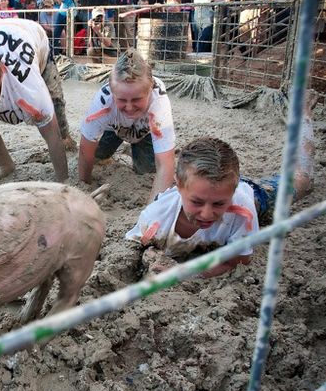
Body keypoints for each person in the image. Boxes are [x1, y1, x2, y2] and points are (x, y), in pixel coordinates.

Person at [125, 98, 316, 278]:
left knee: (302, 182)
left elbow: (237, 262)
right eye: (197, 202)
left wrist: (183, 273)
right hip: (224, 186)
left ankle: (303, 113)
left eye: (218, 204)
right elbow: (133, 249)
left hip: (255, 197)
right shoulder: (156, 216)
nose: (207, 214)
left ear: (232, 193)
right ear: (178, 185)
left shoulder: (244, 211)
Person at [0, 18, 77, 198]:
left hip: (35, 41)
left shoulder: (29, 87)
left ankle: (68, 138)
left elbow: (52, 136)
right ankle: (6, 165)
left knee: (55, 105)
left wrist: (64, 185)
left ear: (1, 75)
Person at [78, 48, 175, 202]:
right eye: (122, 100)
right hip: (113, 128)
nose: (129, 107)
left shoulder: (159, 102)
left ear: (150, 90)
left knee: (146, 171)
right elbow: (85, 149)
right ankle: (123, 145)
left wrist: (151, 213)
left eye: (136, 99)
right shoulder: (103, 100)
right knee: (97, 157)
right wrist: (84, 185)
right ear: (112, 91)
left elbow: (166, 164)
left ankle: (134, 147)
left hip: (145, 131)